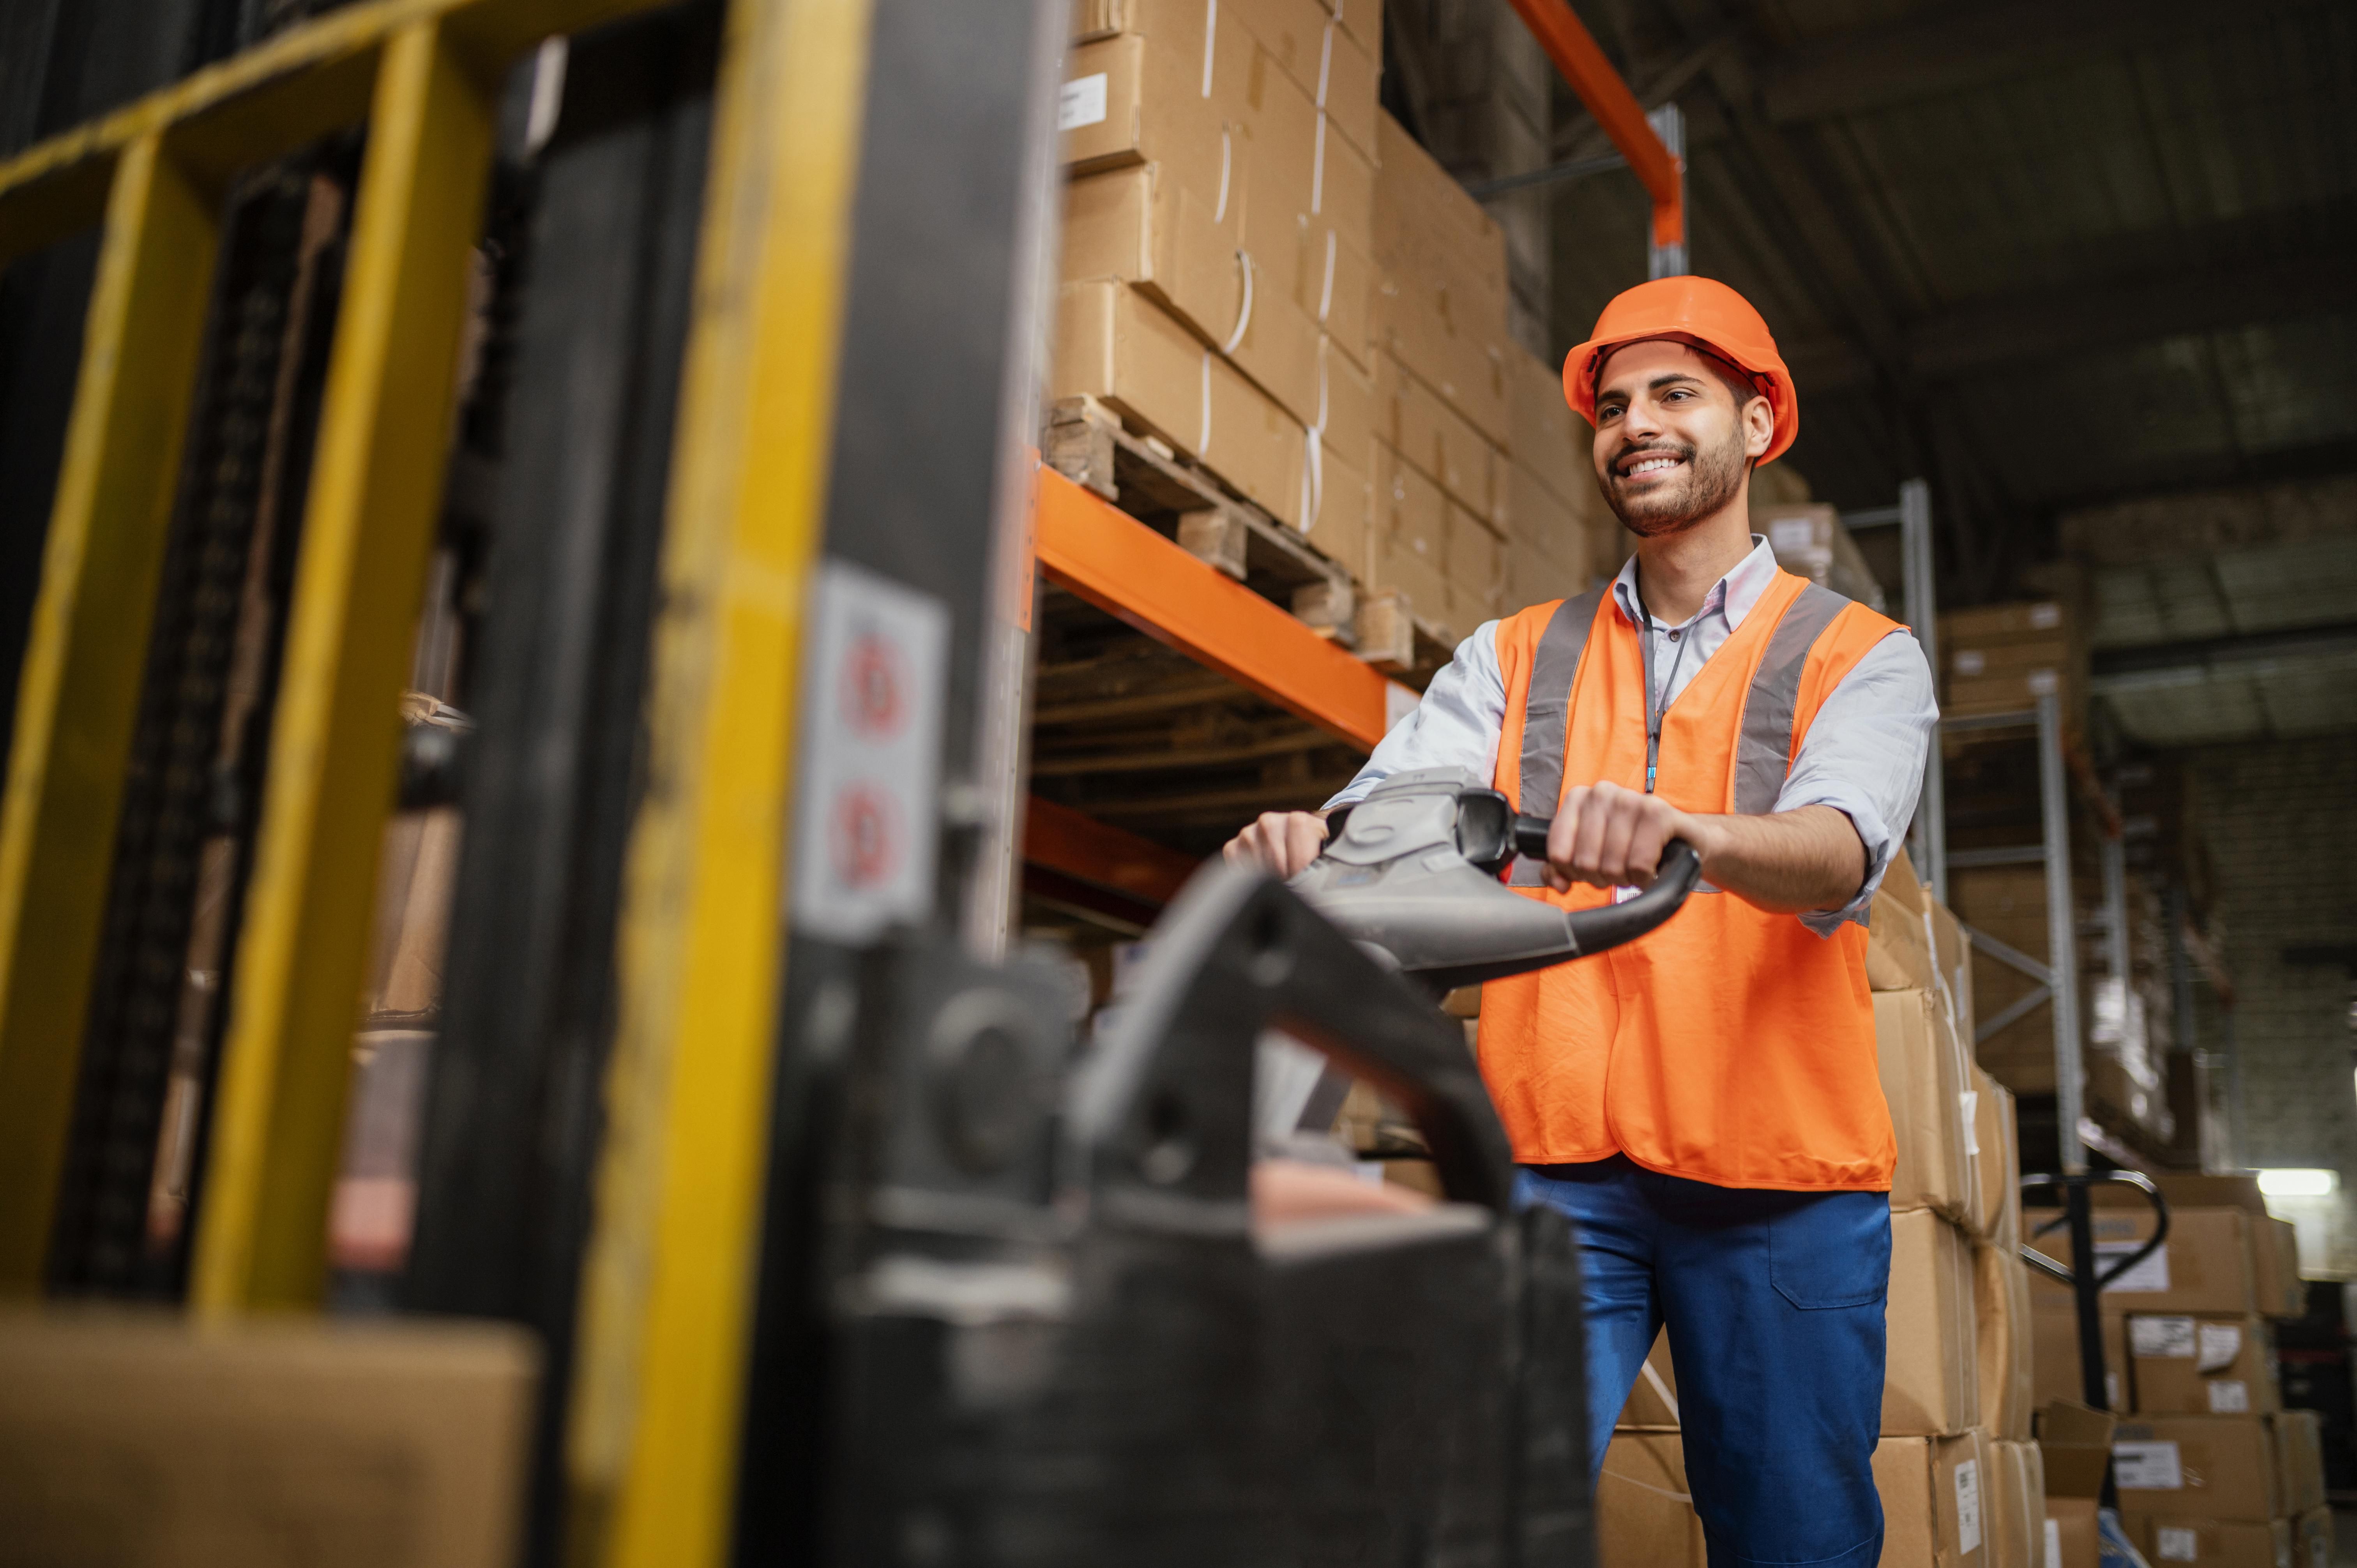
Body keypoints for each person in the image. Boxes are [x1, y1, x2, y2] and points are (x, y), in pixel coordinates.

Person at [1224, 276, 1936, 1568]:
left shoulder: (1861, 653)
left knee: (1796, 1542)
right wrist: (1302, 848)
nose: (1635, 424)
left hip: (1777, 1187)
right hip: (1551, 1173)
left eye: (1676, 394)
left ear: (1759, 424)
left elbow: (1839, 853)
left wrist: (1696, 837)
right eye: (1613, 406)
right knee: (1470, 1520)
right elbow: (1386, 824)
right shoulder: (1515, 655)